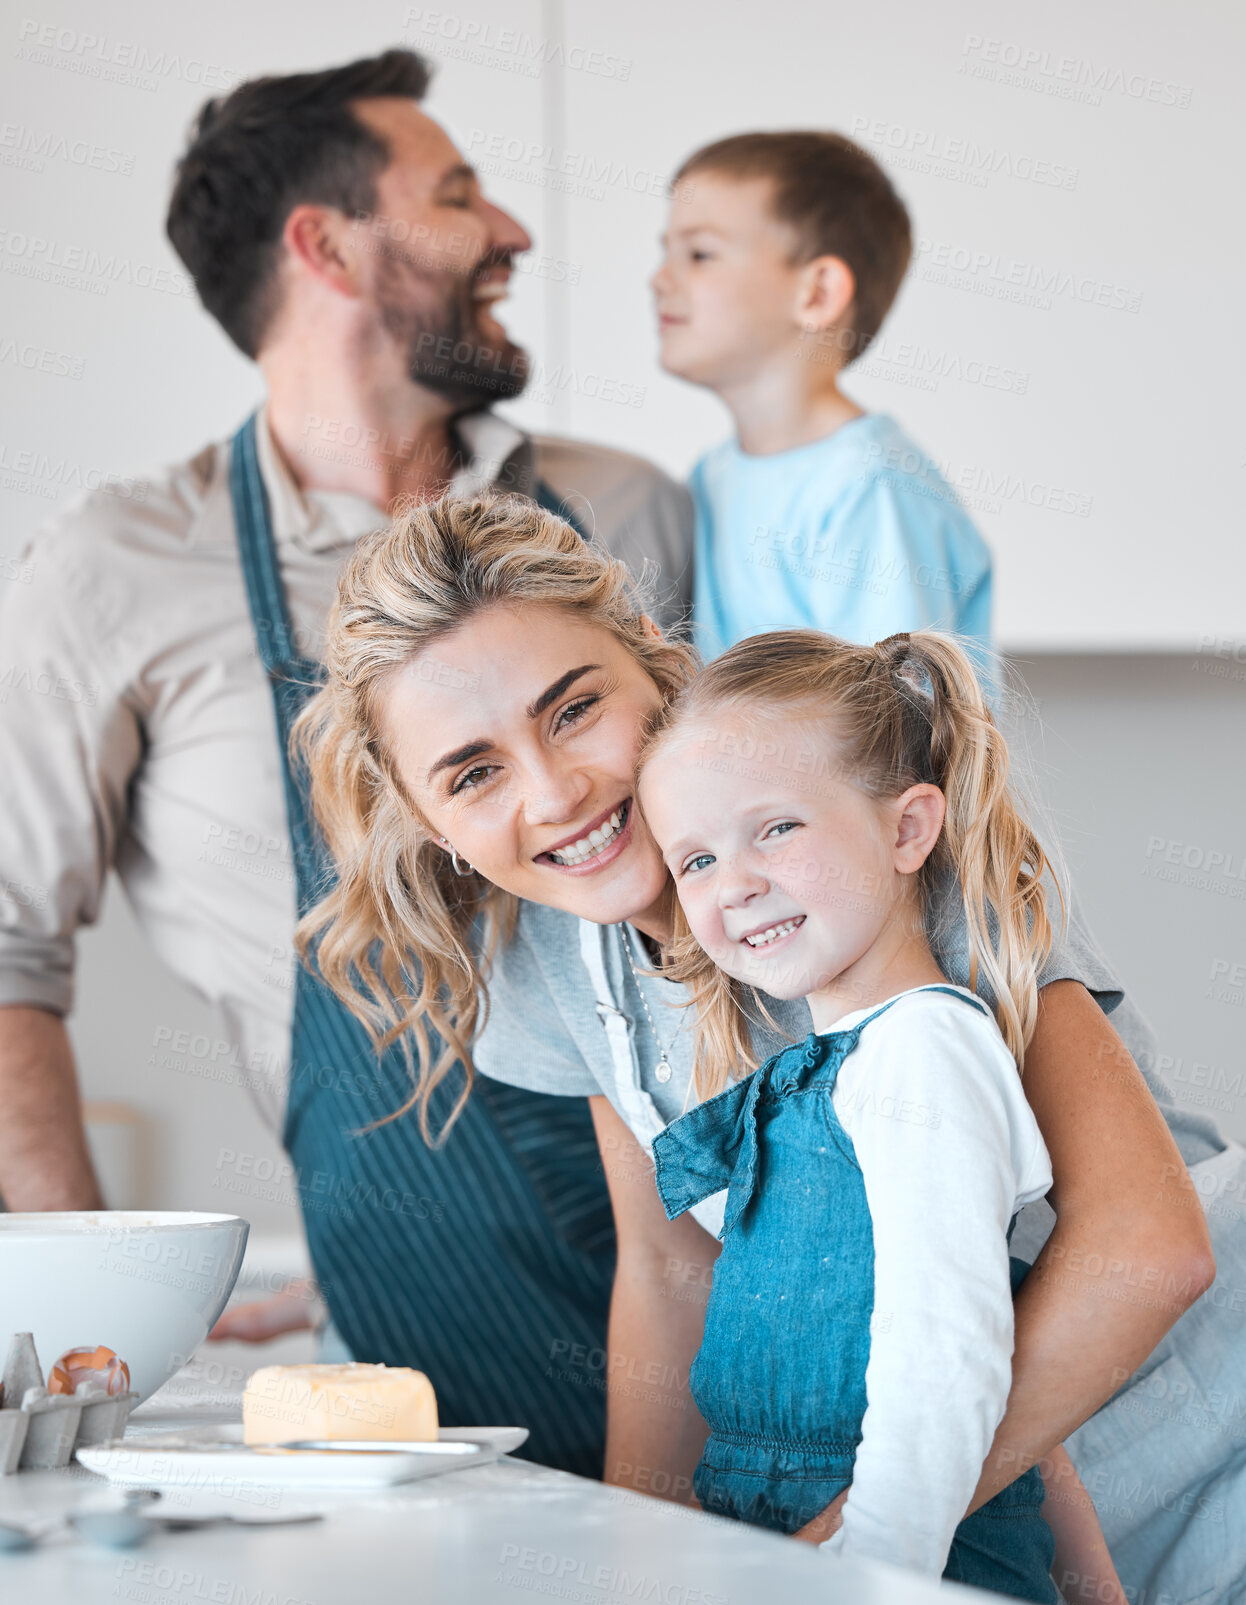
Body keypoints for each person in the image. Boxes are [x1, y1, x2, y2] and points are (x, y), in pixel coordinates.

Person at [293, 489, 1245, 1604]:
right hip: (949, 1513)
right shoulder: (555, 953)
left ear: (654, 659)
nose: (555, 793)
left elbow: (1146, 1247)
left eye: (572, 709)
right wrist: (646, 1574)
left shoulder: (855, 841)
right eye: (473, 772)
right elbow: (673, 1268)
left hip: (1178, 1413)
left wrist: (844, 1553)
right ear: (422, 816)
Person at [0, 49, 694, 1478]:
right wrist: (85, 1363)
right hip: (417, 1329)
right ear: (320, 246)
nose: (512, 230)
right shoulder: (110, 570)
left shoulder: (627, 511)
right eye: (453, 197)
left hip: (715, 1264)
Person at [635, 627, 1122, 1599]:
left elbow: (947, 1358)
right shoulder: (822, 1070)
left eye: (776, 828)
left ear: (906, 831)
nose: (733, 883)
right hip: (779, 1529)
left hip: (906, 1559)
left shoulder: (922, 1053)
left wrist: (867, 1574)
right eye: (693, 860)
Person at [651, 132, 992, 660]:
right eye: (666, 252)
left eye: (699, 254)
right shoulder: (710, 477)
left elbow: (893, 724)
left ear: (817, 293)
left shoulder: (871, 489)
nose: (660, 278)